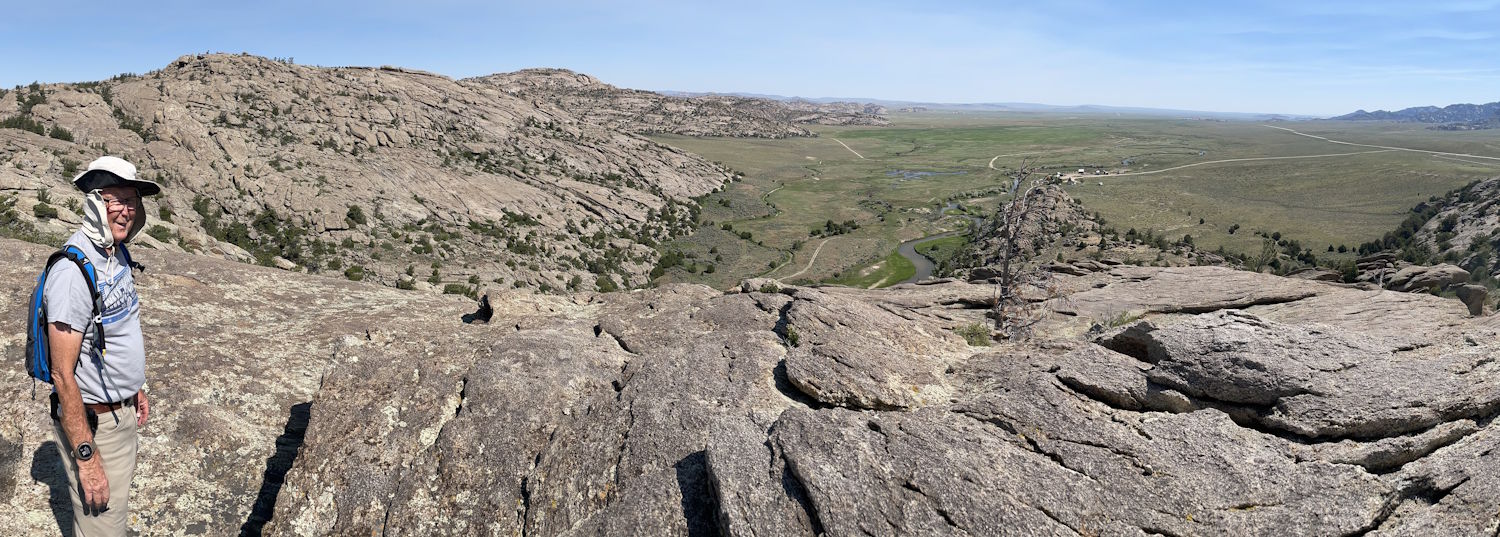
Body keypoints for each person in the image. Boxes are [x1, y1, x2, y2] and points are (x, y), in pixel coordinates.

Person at [45, 155, 161, 536]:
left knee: (112, 518)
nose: (127, 211)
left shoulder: (116, 254)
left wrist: (133, 387)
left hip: (120, 410)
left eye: (132, 200)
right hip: (95, 426)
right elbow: (63, 376)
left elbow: (115, 330)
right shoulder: (72, 274)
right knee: (101, 524)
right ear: (95, 202)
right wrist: (87, 457)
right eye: (117, 200)